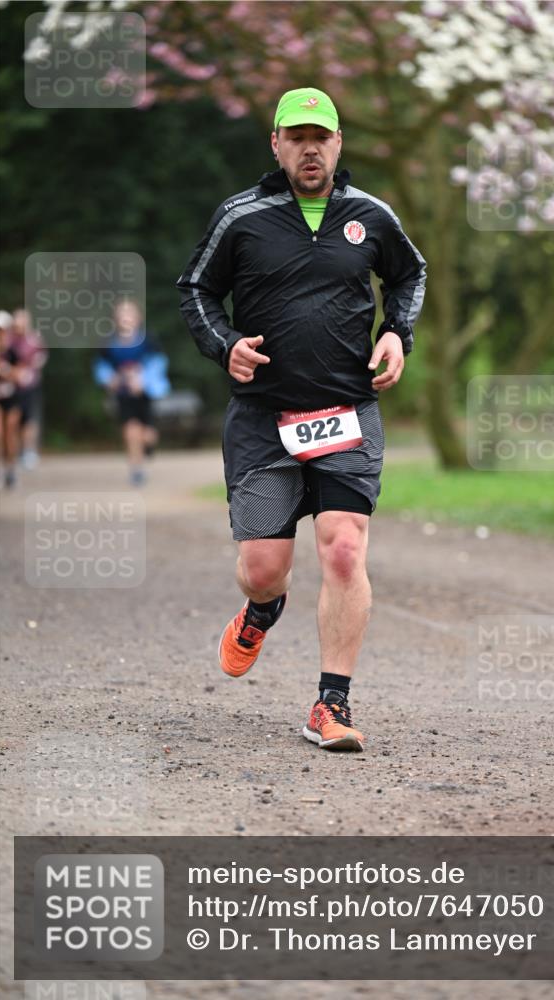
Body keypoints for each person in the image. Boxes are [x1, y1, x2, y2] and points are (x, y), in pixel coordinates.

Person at [177, 87, 426, 752]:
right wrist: (223, 343)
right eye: (297, 136)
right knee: (262, 566)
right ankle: (262, 610)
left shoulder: (370, 216)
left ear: (338, 144)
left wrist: (397, 332)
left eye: (321, 136)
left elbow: (409, 275)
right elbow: (196, 290)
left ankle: (331, 704)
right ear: (277, 145)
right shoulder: (242, 216)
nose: (310, 147)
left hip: (346, 407)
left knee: (344, 546)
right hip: (264, 418)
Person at [93, 300, 170, 486]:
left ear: (138, 318)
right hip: (123, 394)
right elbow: (101, 367)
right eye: (122, 314)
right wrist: (110, 379)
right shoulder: (109, 343)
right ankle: (136, 469)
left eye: (129, 313)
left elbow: (159, 362)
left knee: (148, 435)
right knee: (130, 430)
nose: (125, 317)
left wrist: (143, 380)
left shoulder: (148, 339)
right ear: (116, 319)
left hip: (146, 394)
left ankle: (147, 447)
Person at [9, 308, 48, 470]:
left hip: (30, 385)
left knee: (29, 420)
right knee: (14, 419)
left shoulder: (35, 339)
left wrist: (28, 369)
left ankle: (28, 451)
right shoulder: (9, 340)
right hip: (12, 386)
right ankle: (15, 451)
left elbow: (41, 358)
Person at [0, 310, 22, 489]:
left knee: (9, 434)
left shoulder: (14, 351)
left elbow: (20, 375)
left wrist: (5, 371)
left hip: (12, 397)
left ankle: (10, 469)